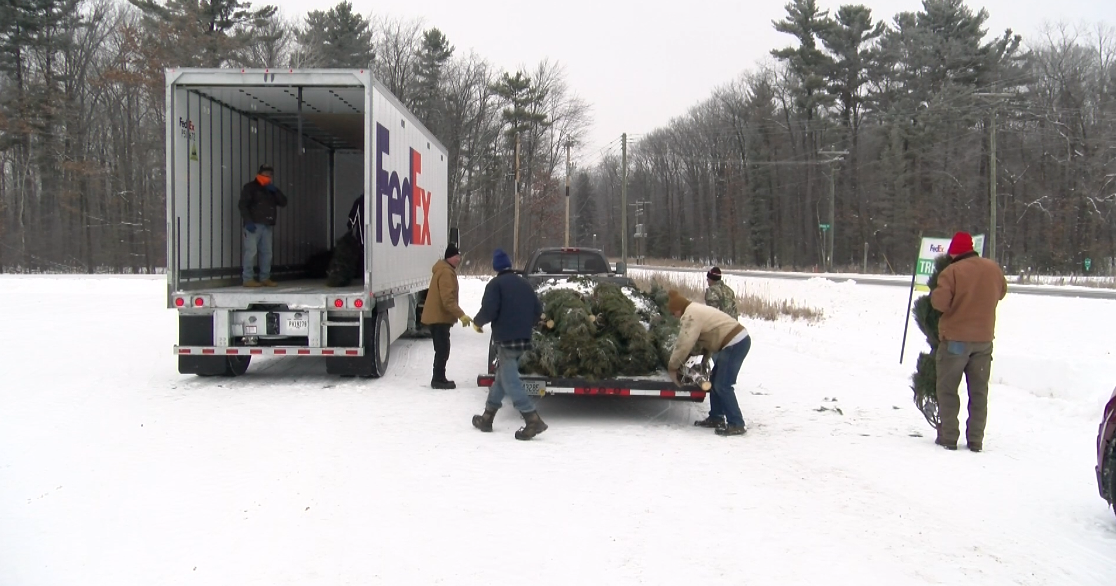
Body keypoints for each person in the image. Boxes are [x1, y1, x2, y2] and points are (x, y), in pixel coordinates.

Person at [930, 231, 1008, 452]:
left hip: (955, 340)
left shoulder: (951, 272)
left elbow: (940, 304)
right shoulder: (993, 268)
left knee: (947, 390)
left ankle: (949, 436)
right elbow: (1001, 292)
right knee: (979, 392)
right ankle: (975, 440)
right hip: (983, 340)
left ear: (954, 252)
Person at [470, 248, 547, 440]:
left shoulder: (496, 285)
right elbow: (538, 310)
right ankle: (487, 417)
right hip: (523, 339)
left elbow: (489, 309)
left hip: (506, 339)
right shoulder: (524, 284)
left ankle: (532, 419)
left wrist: (478, 322)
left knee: (511, 381)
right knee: (502, 378)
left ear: (496, 267)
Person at [666, 290, 751, 436]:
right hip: (733, 341)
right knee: (714, 381)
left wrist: (673, 366)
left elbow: (684, 343)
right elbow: (708, 337)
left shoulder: (691, 315)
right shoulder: (695, 309)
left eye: (674, 313)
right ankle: (716, 417)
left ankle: (736, 423)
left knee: (722, 385)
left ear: (678, 309)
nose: (674, 317)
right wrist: (704, 359)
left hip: (735, 343)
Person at [421, 245, 471, 389]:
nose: (459, 259)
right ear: (449, 257)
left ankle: (439, 377)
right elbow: (447, 299)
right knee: (443, 349)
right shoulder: (446, 272)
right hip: (439, 317)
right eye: (456, 256)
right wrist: (461, 315)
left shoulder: (443, 269)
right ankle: (438, 379)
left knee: (441, 348)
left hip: (438, 317)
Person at [238, 164, 288, 287]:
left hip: (267, 225)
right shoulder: (250, 187)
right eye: (265, 174)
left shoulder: (270, 189)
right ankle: (248, 279)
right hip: (253, 225)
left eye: (270, 174)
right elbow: (243, 205)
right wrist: (248, 221)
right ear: (259, 174)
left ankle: (265, 277)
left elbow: (283, 202)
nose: (267, 176)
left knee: (267, 252)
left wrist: (276, 191)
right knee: (251, 251)